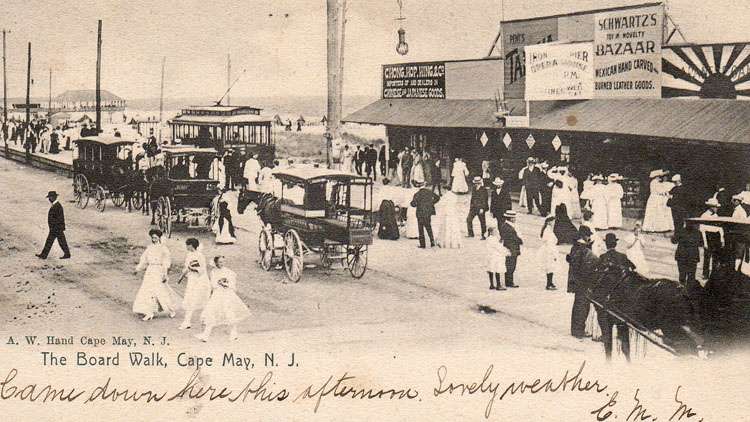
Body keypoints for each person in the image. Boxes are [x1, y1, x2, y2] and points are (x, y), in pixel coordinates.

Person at [196, 256, 250, 342]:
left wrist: (226, 284)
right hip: (217, 294)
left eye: (223, 262)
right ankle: (206, 335)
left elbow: (232, 282)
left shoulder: (228, 271)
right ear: (216, 263)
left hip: (227, 294)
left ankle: (234, 332)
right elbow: (213, 284)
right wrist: (219, 284)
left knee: (229, 313)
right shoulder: (213, 272)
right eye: (220, 262)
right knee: (211, 312)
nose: (222, 264)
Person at [133, 229, 179, 321]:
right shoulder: (149, 248)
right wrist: (138, 268)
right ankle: (149, 312)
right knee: (148, 291)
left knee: (161, 290)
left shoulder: (163, 248)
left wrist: (165, 274)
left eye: (155, 238)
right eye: (152, 238)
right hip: (150, 271)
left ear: (159, 238)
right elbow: (144, 259)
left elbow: (166, 262)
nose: (154, 239)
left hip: (159, 270)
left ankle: (171, 309)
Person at [567, 226, 597, 338]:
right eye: (588, 235)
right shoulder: (581, 247)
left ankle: (577, 330)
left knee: (580, 305)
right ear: (584, 235)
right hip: (582, 281)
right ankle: (578, 331)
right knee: (582, 306)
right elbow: (584, 264)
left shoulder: (576, 246)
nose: (589, 237)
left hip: (578, 280)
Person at [177, 238, 211, 330]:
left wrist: (193, 268)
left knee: (202, 299)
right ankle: (187, 321)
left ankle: (205, 318)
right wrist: (182, 275)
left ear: (191, 245)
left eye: (187, 245)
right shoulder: (189, 255)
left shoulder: (200, 256)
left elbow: (202, 269)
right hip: (192, 279)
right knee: (190, 299)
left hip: (200, 280)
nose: (186, 247)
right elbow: (186, 267)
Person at [36, 191, 71, 260]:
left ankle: (44, 255)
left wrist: (56, 227)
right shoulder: (56, 205)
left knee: (53, 241)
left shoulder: (57, 206)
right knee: (59, 241)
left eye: (50, 197)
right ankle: (66, 254)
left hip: (56, 228)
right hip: (56, 228)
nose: (49, 199)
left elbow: (60, 218)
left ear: (53, 197)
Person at [699, 197, 724, 279]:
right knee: (707, 257)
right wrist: (705, 243)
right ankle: (705, 274)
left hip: (716, 237)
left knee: (716, 257)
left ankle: (714, 274)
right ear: (711, 207)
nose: (717, 209)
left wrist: (722, 239)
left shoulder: (716, 215)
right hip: (708, 237)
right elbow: (702, 230)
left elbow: (720, 228)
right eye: (716, 207)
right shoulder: (704, 215)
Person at [410, 184, 440, 248]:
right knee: (429, 227)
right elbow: (438, 197)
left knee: (421, 229)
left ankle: (422, 244)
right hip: (428, 213)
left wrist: (414, 203)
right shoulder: (430, 192)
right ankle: (432, 242)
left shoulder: (417, 194)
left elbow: (413, 204)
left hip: (420, 213)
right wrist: (431, 203)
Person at [499, 211, 522, 288]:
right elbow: (512, 238)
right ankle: (509, 281)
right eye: (514, 217)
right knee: (510, 265)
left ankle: (509, 281)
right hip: (511, 248)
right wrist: (520, 240)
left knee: (512, 265)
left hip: (512, 247)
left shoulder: (507, 226)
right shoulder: (507, 227)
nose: (515, 219)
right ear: (510, 218)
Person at [674, 225, 702, 289]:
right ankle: (690, 290)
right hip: (693, 255)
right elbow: (701, 243)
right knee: (691, 276)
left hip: (681, 255)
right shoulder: (698, 232)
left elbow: (674, 241)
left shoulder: (680, 231)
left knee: (682, 275)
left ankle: (682, 288)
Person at [539, 216, 559, 290]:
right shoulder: (548, 230)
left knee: (550, 267)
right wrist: (553, 254)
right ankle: (549, 284)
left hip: (548, 250)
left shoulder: (548, 229)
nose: (554, 223)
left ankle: (550, 282)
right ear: (549, 222)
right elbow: (549, 242)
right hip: (549, 251)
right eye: (553, 221)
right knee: (550, 267)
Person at [485, 226, 507, 290]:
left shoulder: (489, 238)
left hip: (490, 256)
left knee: (491, 270)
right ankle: (498, 285)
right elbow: (498, 247)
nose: (497, 232)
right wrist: (506, 252)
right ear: (491, 232)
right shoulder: (493, 239)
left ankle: (491, 284)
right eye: (495, 231)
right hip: (496, 256)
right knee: (497, 270)